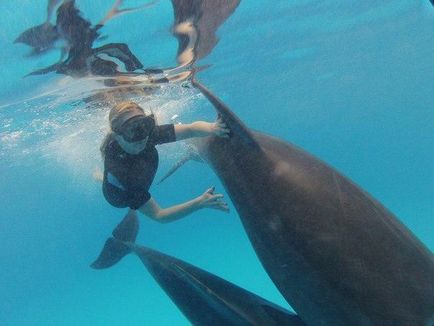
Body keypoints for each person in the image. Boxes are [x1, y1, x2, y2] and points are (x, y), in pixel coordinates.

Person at [100, 101, 230, 223]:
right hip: (118, 196)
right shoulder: (122, 176)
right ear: (117, 135)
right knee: (112, 182)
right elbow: (160, 215)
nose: (141, 135)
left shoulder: (148, 134)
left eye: (144, 124)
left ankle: (100, 176)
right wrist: (200, 202)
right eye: (131, 129)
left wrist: (213, 127)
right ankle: (101, 178)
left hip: (136, 172)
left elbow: (191, 129)